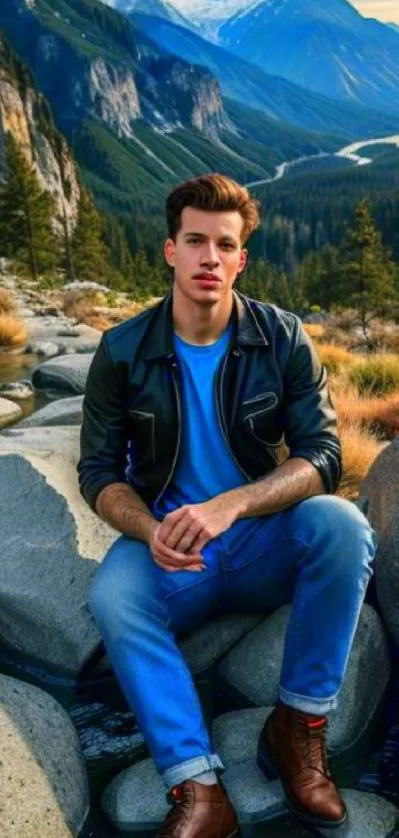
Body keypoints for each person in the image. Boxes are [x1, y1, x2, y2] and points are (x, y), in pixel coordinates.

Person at [77, 173, 376, 837]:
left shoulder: (282, 337)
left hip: (259, 540)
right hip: (171, 556)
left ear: (241, 257)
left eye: (224, 244)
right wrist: (150, 529)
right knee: (113, 595)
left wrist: (232, 505)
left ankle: (297, 725)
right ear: (170, 251)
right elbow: (97, 472)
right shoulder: (122, 351)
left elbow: (322, 455)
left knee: (342, 525)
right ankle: (198, 789)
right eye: (194, 240)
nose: (208, 256)